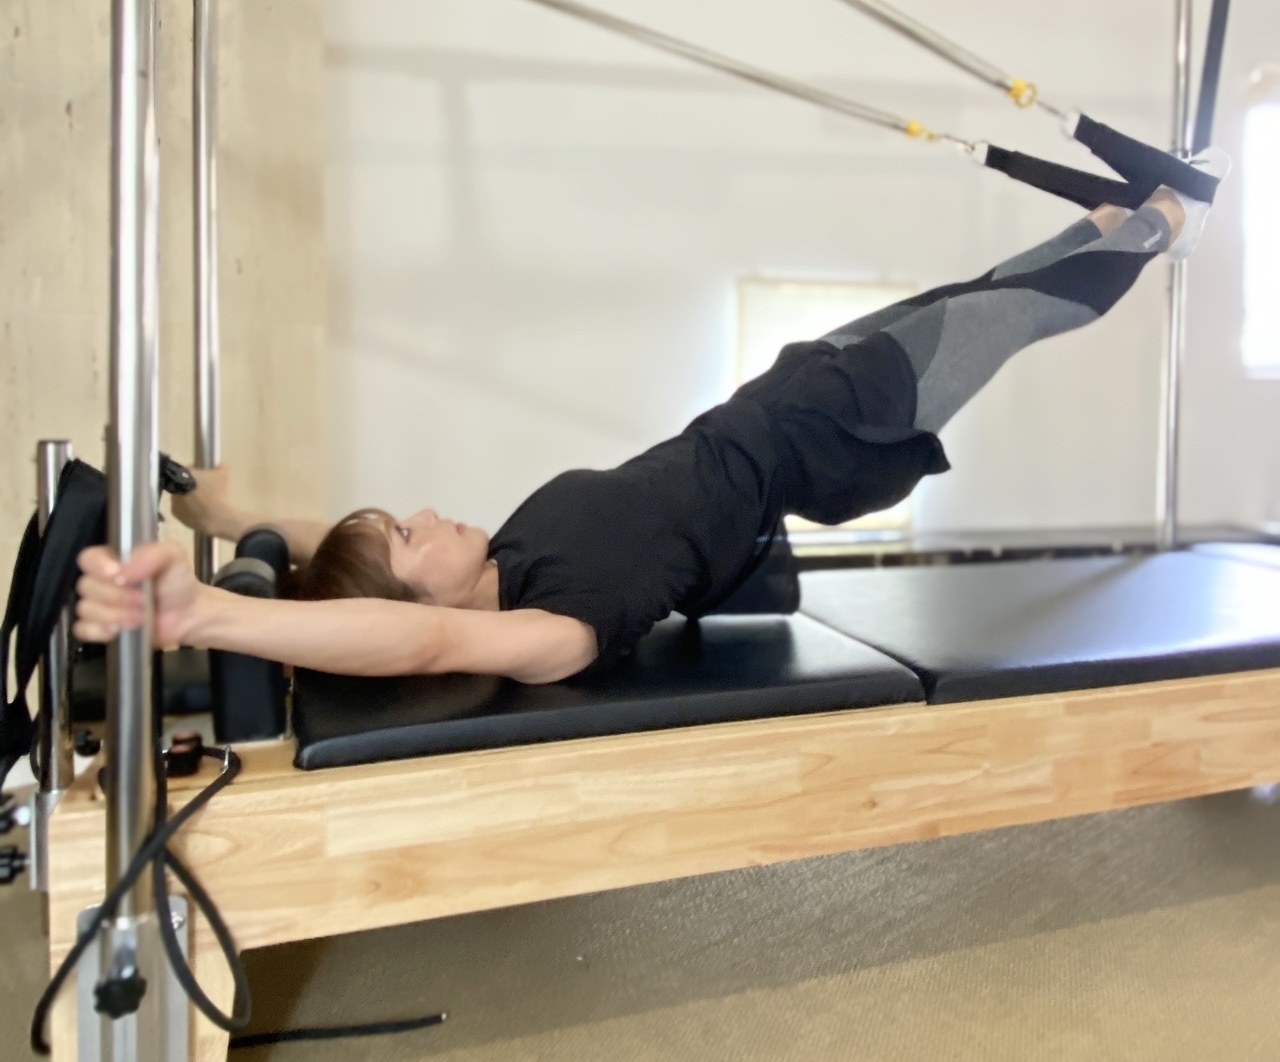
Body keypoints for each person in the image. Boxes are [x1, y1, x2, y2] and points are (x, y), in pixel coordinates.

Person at [75, 154, 1227, 685]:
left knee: (972, 296)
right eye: (409, 537)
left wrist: (222, 514)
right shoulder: (554, 628)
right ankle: (1169, 221)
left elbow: (340, 542)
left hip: (788, 390)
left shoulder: (512, 553)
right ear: (419, 593)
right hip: (837, 426)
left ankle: (1105, 226)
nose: (422, 511)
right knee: (1013, 313)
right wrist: (208, 614)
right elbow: (417, 641)